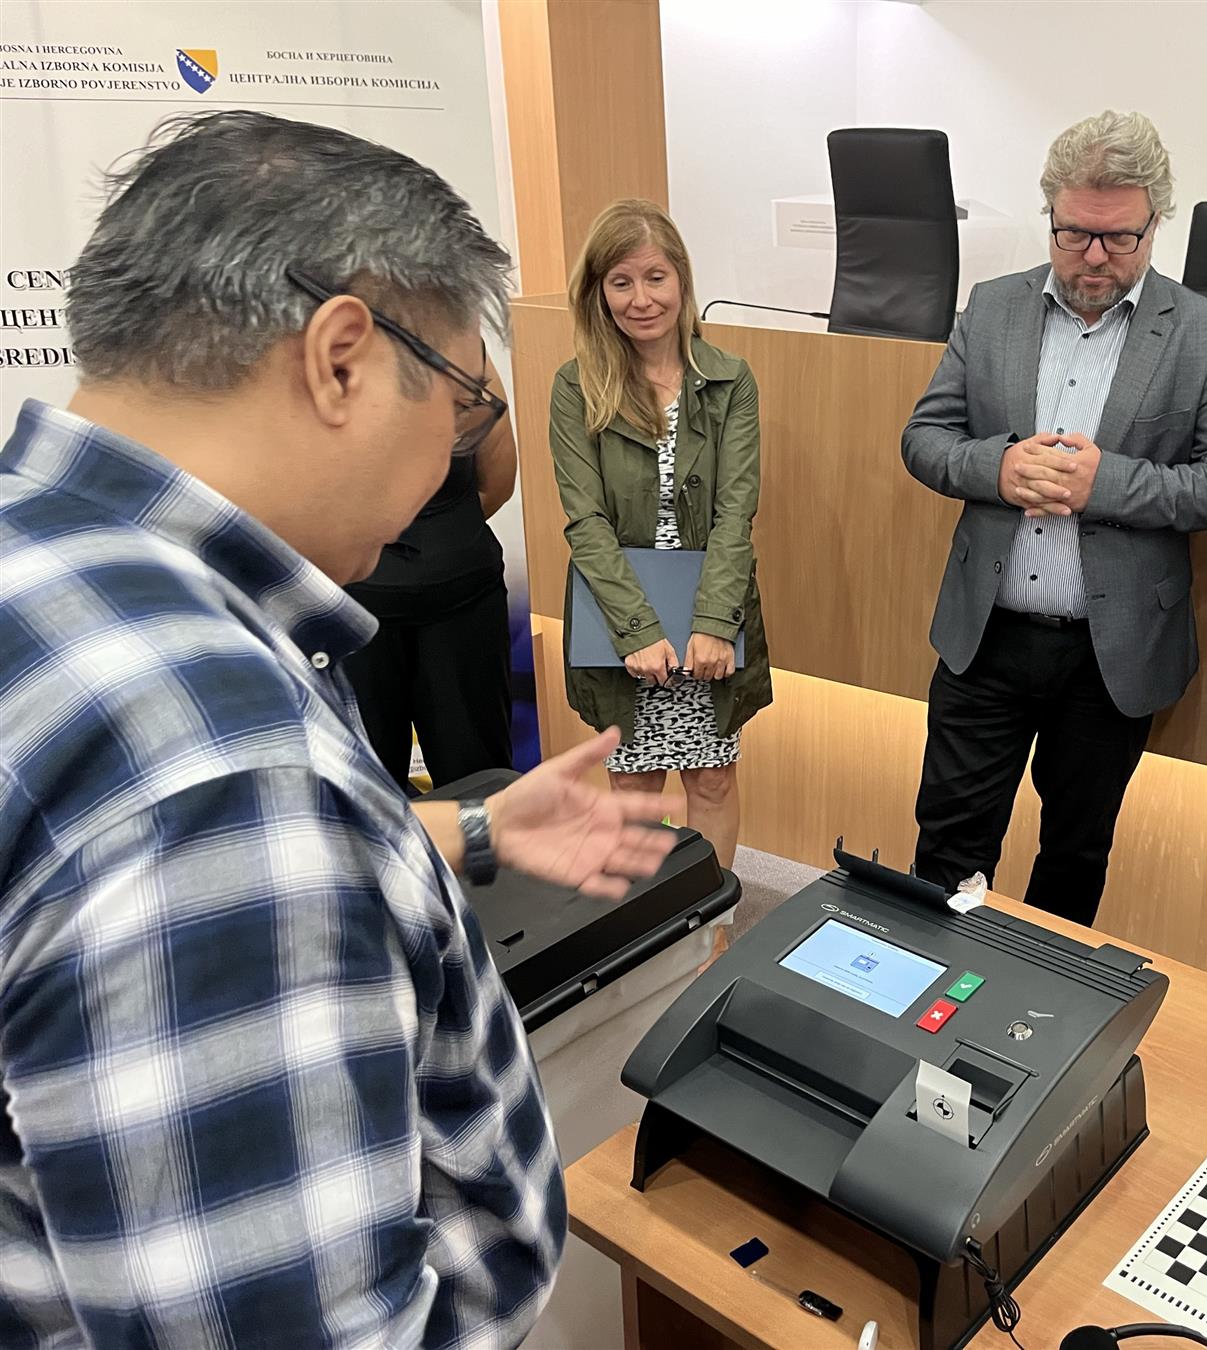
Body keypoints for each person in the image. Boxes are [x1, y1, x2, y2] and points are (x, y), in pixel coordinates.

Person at [0, 112, 677, 1346]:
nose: (453, 464)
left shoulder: (38, 552)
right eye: (463, 407)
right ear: (343, 359)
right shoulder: (225, 774)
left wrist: (459, 831)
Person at [901, 110, 1207, 927]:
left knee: (1073, 856)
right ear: (1052, 214)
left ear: (1156, 223)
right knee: (947, 846)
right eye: (1074, 234)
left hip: (1112, 653)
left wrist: (1108, 484)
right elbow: (924, 439)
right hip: (986, 636)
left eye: (1119, 238)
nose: (1095, 257)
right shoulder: (992, 308)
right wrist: (996, 469)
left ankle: (1036, 1000)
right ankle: (930, 991)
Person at [550, 198, 772, 870]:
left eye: (655, 277)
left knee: (712, 778)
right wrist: (638, 630)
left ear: (681, 279)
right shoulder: (576, 385)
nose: (641, 299)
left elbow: (736, 512)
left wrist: (713, 622)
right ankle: (650, 925)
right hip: (622, 616)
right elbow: (584, 522)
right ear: (599, 292)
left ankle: (715, 922)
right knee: (635, 785)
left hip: (710, 613)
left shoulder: (729, 379)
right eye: (621, 282)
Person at [343, 357, 518, 793]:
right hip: (351, 608)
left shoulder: (463, 346)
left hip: (463, 595)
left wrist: (440, 543)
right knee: (364, 788)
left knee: (480, 782)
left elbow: (496, 481)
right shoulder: (303, 347)